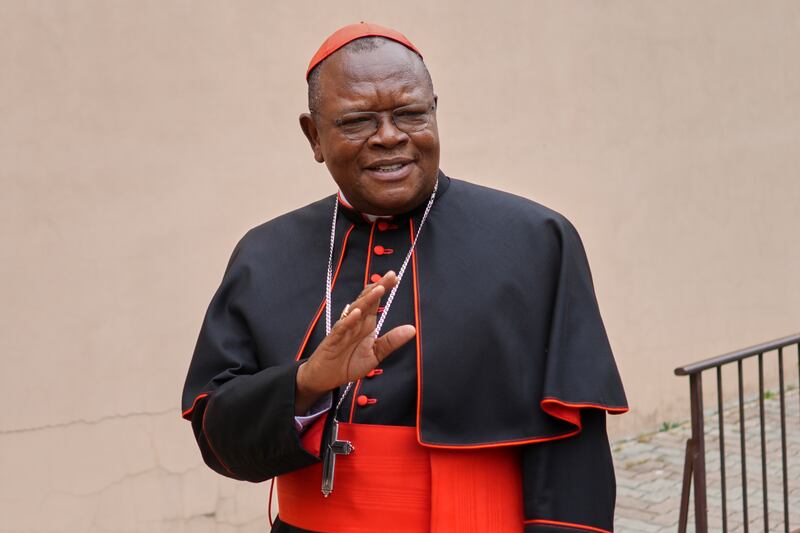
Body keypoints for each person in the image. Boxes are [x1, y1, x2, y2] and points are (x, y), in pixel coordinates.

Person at [182, 22, 628, 533]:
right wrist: (305, 384)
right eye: (358, 121)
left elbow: (574, 461)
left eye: (412, 114)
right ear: (314, 136)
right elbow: (220, 442)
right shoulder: (263, 254)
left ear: (435, 111)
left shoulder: (536, 240)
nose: (390, 136)